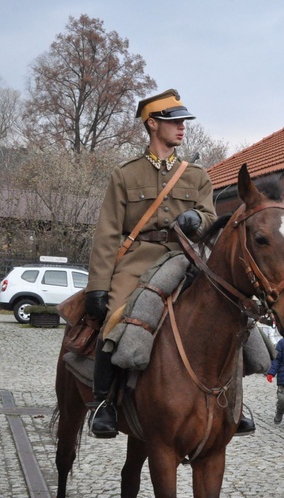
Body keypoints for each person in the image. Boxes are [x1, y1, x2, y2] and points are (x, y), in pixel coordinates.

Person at [84, 89, 218, 438]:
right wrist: (99, 286)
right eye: (174, 121)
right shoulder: (125, 175)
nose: (182, 127)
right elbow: (107, 233)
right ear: (152, 124)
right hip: (136, 262)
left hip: (184, 259)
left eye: (183, 121)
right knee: (115, 317)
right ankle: (104, 402)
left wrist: (196, 220)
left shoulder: (196, 176)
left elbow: (209, 216)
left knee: (227, 313)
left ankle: (229, 401)